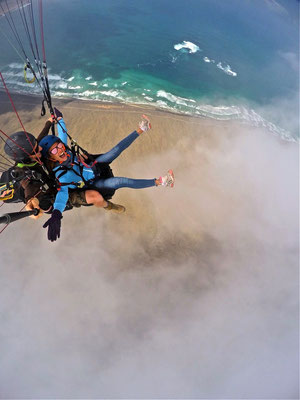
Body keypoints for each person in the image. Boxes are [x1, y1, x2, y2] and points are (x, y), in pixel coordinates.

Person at [40, 115, 174, 242]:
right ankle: (161, 181)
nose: (60, 150)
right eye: (54, 151)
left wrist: (59, 119)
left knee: (115, 150)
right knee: (122, 181)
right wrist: (57, 213)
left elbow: (62, 133)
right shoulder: (61, 175)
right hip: (95, 183)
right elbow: (62, 194)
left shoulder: (65, 150)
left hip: (93, 166)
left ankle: (143, 128)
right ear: (51, 158)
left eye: (60, 146)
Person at [1, 114, 123, 219]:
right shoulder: (24, 172)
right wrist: (31, 202)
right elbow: (28, 185)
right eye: (36, 149)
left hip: (55, 174)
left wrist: (49, 122)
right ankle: (109, 206)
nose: (41, 148)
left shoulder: (32, 151)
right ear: (27, 157)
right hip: (52, 196)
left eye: (37, 145)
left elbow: (40, 138)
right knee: (95, 196)